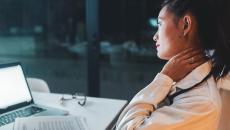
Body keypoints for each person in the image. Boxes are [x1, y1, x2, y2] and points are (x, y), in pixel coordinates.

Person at [115, 0, 230, 129]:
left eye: (160, 24)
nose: (155, 36)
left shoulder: (201, 103)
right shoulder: (182, 78)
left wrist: (164, 78)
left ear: (185, 25)